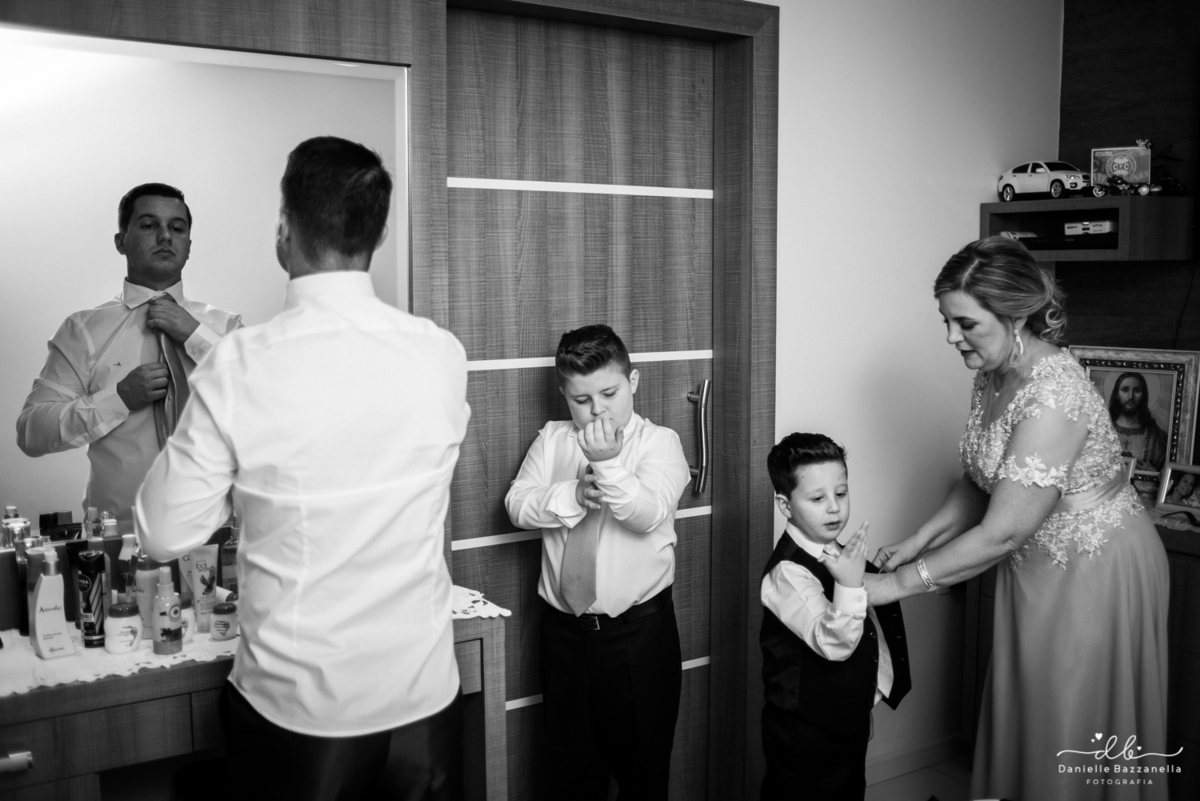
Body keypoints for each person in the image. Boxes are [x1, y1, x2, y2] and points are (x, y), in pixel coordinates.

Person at [136, 137, 470, 800]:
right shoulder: (440, 353)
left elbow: (163, 532)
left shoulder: (240, 364)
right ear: (376, 235)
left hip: (303, 718)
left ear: (283, 230)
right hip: (426, 703)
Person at [870, 236, 1170, 801]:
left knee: (1069, 711)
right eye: (946, 321)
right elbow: (985, 478)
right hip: (1032, 564)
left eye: (965, 323)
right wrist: (918, 539)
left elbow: (1004, 528)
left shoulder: (1053, 395)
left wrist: (893, 586)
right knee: (1033, 705)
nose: (952, 337)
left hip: (1093, 565)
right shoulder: (992, 373)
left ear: (1015, 318)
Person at [504, 324, 691, 800]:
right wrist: (571, 495)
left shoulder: (660, 443)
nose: (597, 410)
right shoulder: (553, 439)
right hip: (563, 637)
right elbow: (517, 505)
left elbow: (647, 514)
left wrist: (607, 466)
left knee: (643, 778)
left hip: (638, 637)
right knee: (569, 778)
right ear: (564, 395)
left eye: (609, 393)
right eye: (581, 399)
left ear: (633, 381)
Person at [16, 183, 241, 533]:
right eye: (149, 225)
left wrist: (196, 336)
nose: (165, 236)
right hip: (121, 538)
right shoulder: (83, 330)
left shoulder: (226, 328)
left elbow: (267, 408)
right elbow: (32, 432)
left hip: (218, 534)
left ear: (188, 246)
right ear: (121, 241)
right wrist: (118, 399)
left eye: (177, 227)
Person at [759, 433, 910, 801]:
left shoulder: (839, 551)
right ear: (785, 505)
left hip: (845, 719)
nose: (834, 508)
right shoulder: (787, 573)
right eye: (817, 498)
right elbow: (833, 644)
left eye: (840, 494)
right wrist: (849, 584)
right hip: (804, 730)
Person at [1107, 371, 1168, 471]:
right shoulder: (1104, 429)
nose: (1130, 396)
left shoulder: (1156, 436)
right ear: (1117, 394)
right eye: (1125, 390)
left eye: (1137, 390)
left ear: (1143, 396)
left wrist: (1153, 473)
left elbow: (1166, 473)